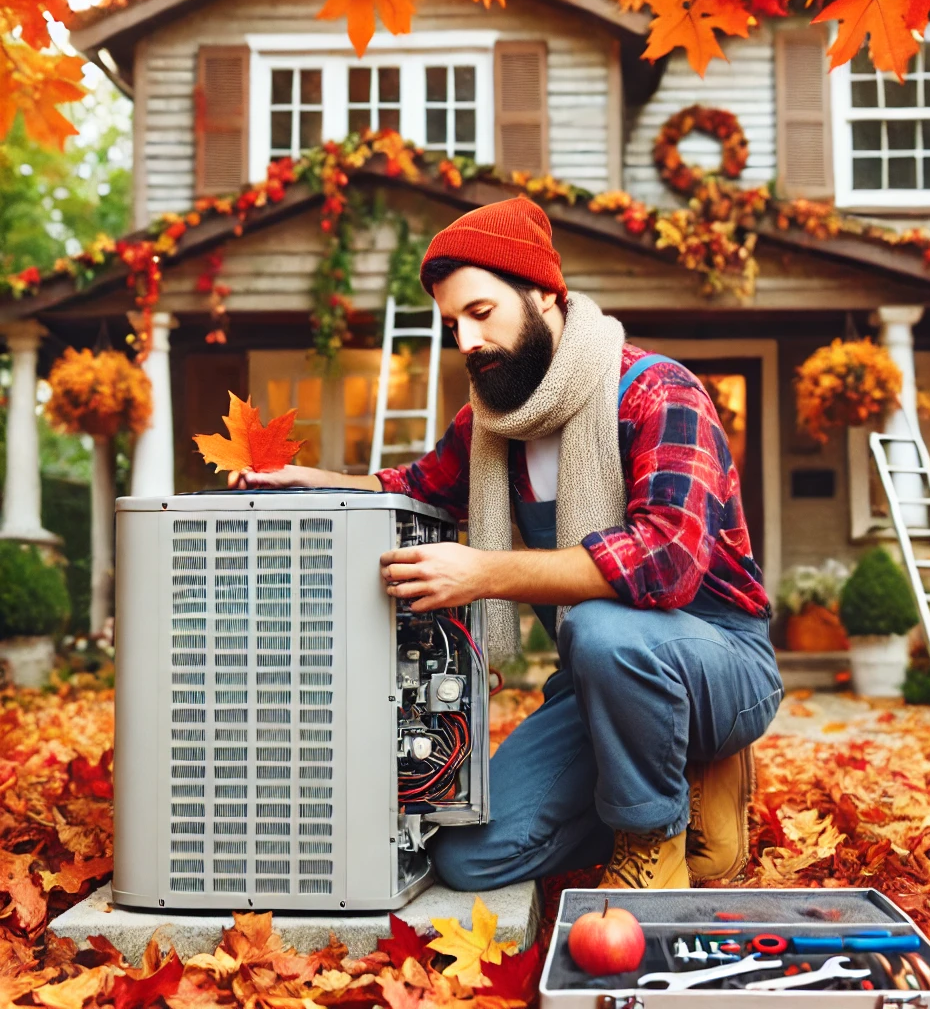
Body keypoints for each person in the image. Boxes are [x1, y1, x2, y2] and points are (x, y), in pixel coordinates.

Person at [231, 195, 783, 890]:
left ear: (545, 295)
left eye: (481, 313)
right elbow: (420, 486)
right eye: (452, 324)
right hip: (597, 681)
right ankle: (650, 781)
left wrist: (486, 572)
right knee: (469, 859)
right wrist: (318, 482)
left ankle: (656, 830)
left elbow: (665, 561)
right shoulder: (493, 425)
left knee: (605, 629)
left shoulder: (658, 393)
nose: (465, 340)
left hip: (718, 663)